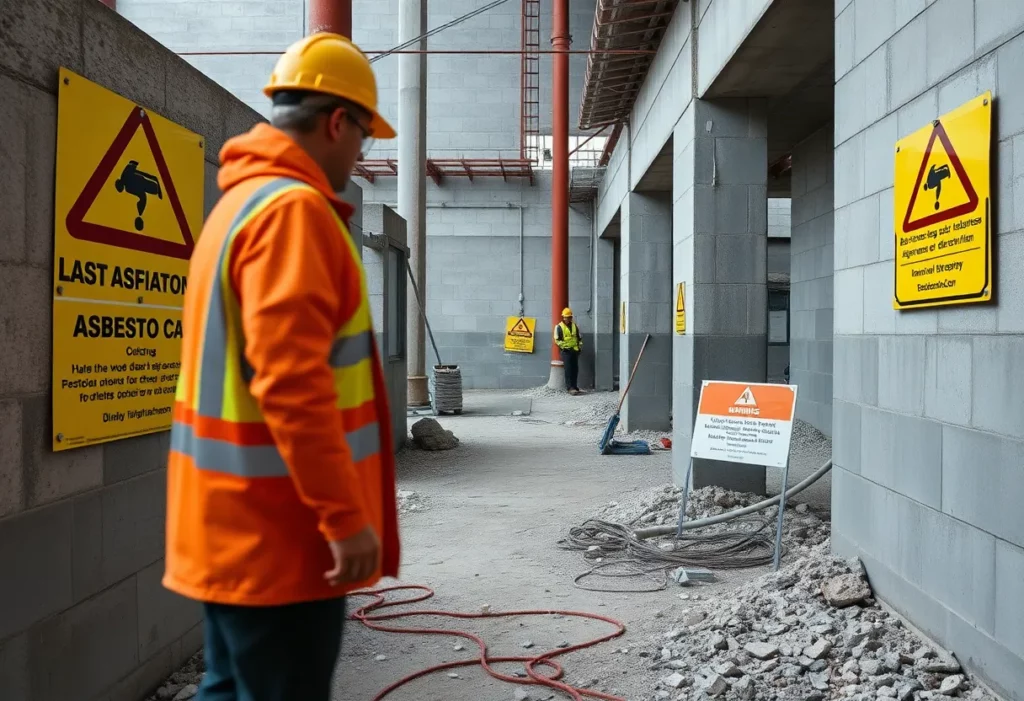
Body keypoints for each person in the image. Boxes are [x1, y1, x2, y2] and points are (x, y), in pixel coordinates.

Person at [163, 33, 400, 701]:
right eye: (364, 136)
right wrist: (343, 519)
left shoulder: (235, 208)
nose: (360, 154)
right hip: (282, 536)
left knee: (229, 687)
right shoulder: (293, 212)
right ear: (335, 122)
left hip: (224, 526)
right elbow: (291, 383)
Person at [554, 307, 583, 395]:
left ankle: (575, 386)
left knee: (575, 369)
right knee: (568, 369)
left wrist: (579, 347)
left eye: (570, 317)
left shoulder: (574, 326)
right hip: (566, 351)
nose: (568, 318)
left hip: (575, 350)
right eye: (567, 317)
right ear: (563, 317)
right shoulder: (559, 327)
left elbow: (579, 338)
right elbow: (557, 340)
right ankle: (570, 388)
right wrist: (564, 347)